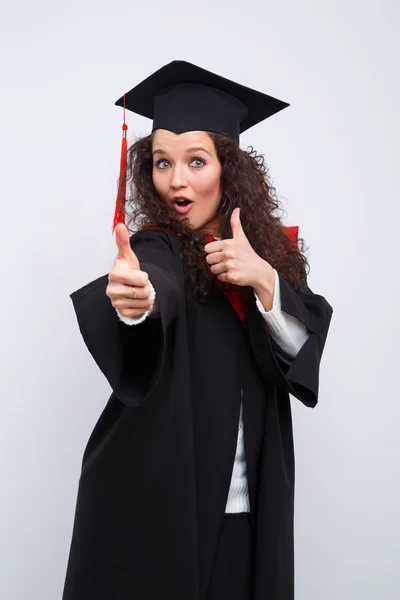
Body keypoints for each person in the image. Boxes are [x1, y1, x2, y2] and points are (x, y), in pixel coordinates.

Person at [62, 60, 333, 600]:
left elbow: (304, 351)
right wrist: (137, 301)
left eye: (195, 160)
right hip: (157, 508)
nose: (176, 179)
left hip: (246, 511)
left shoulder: (274, 259)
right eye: (162, 162)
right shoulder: (158, 247)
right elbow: (153, 282)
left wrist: (264, 282)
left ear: (229, 169)